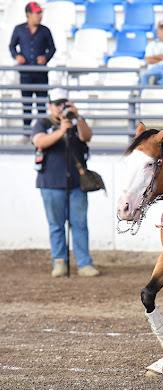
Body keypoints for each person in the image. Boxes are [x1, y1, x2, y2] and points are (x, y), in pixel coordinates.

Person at [31, 88, 100, 278]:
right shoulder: (43, 123)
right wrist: (61, 129)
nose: (61, 108)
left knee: (80, 223)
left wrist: (77, 118)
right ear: (50, 106)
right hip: (50, 183)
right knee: (56, 224)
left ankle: (84, 263)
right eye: (57, 104)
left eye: (64, 103)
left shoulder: (77, 122)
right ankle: (59, 262)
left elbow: (87, 136)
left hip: (77, 183)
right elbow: (40, 141)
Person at [9, 2, 56, 131]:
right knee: (27, 104)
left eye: (40, 13)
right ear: (28, 14)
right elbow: (11, 46)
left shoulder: (45, 30)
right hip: (25, 73)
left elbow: (52, 48)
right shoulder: (19, 29)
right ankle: (26, 131)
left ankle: (42, 132)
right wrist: (17, 56)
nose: (40, 16)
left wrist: (46, 58)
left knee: (41, 104)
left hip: (40, 74)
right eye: (37, 13)